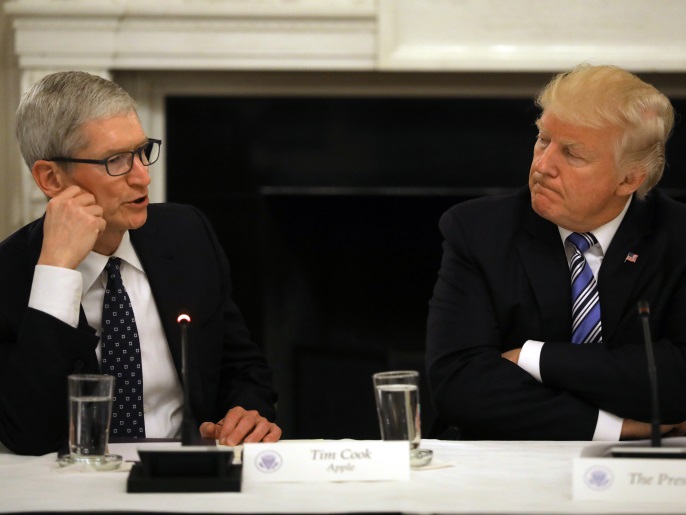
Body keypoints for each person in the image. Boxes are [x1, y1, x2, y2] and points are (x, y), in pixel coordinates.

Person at [0, 71, 281, 455]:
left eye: (142, 151)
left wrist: (247, 411)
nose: (143, 176)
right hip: (75, 486)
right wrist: (57, 270)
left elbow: (241, 366)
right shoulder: (9, 272)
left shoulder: (187, 234)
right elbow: (27, 435)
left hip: (186, 473)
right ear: (51, 178)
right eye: (116, 160)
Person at [426, 63, 686, 441]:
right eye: (543, 140)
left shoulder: (678, 238)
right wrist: (615, 427)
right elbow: (460, 386)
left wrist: (533, 357)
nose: (543, 165)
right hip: (510, 464)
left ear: (629, 178)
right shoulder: (478, 231)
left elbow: (679, 377)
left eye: (573, 154)